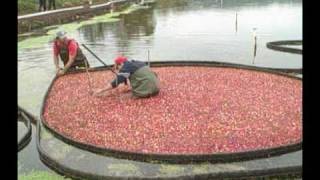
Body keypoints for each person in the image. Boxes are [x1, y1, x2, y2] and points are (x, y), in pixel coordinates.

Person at [93, 56, 160, 98]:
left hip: (147, 91)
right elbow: (152, 75)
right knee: (128, 91)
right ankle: (144, 89)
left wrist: (101, 90)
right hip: (156, 89)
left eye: (117, 67)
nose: (118, 69)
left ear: (121, 64)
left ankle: (142, 91)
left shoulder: (125, 68)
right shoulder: (138, 62)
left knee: (119, 97)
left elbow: (115, 83)